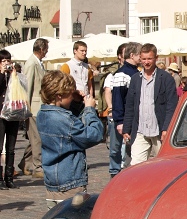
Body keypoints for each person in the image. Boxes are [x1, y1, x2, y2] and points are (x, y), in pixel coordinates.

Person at [37, 71, 103, 208]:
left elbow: (69, 126)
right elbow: (94, 135)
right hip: (70, 183)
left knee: (55, 218)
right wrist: (90, 110)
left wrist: (76, 102)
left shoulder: (42, 113)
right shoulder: (64, 119)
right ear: (59, 96)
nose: (72, 97)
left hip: (52, 182)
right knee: (73, 218)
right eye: (70, 94)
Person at [122, 43, 178, 165]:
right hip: (140, 130)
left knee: (163, 165)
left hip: (159, 130)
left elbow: (171, 106)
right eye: (144, 59)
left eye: (149, 59)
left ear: (156, 58)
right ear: (140, 58)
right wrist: (126, 128)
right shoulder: (135, 79)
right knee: (136, 166)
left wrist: (166, 129)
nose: (146, 62)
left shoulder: (166, 78)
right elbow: (130, 106)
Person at [18, 37, 48, 178]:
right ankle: (37, 167)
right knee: (37, 139)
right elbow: (27, 87)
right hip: (33, 107)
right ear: (41, 49)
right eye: (46, 49)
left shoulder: (38, 63)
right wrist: (26, 109)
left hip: (39, 106)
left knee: (35, 138)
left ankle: (24, 163)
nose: (46, 52)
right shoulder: (31, 63)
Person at [110, 42, 141, 176]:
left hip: (134, 119)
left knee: (132, 150)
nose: (142, 58)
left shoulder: (137, 72)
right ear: (132, 55)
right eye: (140, 55)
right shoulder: (121, 74)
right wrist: (120, 121)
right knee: (120, 150)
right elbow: (117, 98)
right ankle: (117, 176)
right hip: (125, 119)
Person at [0, 50, 29, 189]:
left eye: (8, 60)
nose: (6, 63)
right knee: (0, 147)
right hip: (1, 114)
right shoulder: (1, 75)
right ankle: (0, 179)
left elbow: (22, 89)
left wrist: (14, 75)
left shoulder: (14, 75)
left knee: (11, 148)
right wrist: (1, 73)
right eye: (3, 61)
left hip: (13, 114)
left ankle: (9, 177)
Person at [102, 43, 127, 175]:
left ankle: (128, 170)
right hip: (115, 114)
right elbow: (108, 91)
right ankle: (114, 171)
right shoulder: (112, 74)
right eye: (125, 54)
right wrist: (111, 107)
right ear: (119, 57)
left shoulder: (135, 72)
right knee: (115, 147)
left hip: (129, 114)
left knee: (130, 145)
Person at [60, 41, 94, 115]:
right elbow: (62, 86)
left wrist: (90, 97)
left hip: (85, 101)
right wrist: (75, 91)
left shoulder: (87, 67)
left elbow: (90, 84)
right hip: (72, 101)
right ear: (75, 51)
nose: (84, 53)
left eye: (85, 51)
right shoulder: (67, 66)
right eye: (82, 51)